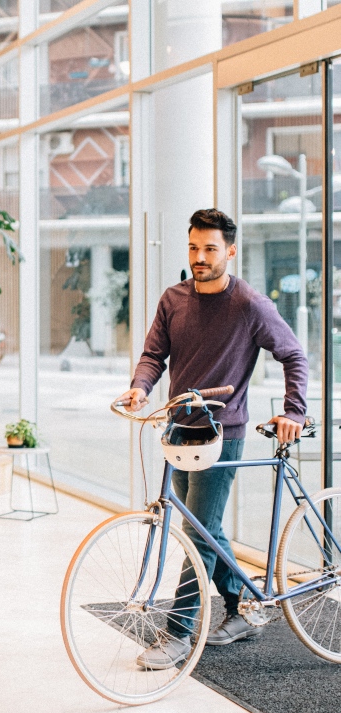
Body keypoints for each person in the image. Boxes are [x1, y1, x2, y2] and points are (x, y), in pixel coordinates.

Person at [116, 208, 308, 670]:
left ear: (231, 251)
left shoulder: (249, 305)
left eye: (210, 249)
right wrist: (141, 387)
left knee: (196, 534)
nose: (200, 257)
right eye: (194, 248)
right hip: (178, 428)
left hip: (224, 433)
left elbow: (294, 355)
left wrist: (294, 411)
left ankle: (179, 633)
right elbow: (153, 355)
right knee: (206, 526)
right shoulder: (174, 299)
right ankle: (244, 605)